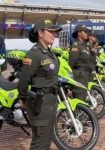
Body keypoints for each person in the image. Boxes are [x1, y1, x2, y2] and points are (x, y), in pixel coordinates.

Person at [17, 19, 62, 150]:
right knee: (40, 143)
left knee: (46, 140)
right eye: (51, 32)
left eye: (55, 32)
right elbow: (23, 81)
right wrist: (23, 98)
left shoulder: (49, 53)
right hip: (40, 104)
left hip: (50, 102)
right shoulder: (34, 54)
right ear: (40, 33)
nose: (54, 35)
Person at [69, 25, 91, 100]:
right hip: (79, 76)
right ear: (79, 33)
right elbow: (71, 64)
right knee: (79, 98)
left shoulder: (83, 46)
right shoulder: (76, 46)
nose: (87, 34)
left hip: (84, 75)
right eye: (85, 32)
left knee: (83, 98)